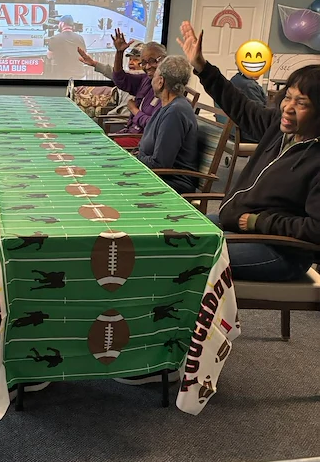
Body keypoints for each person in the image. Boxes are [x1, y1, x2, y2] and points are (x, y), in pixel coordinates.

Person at [177, 20, 320, 282]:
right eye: (287, 97)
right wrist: (202, 67)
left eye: (302, 103)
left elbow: (316, 229)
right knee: (173, 237)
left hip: (281, 251)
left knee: (188, 257)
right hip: (239, 226)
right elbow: (239, 105)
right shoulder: (279, 128)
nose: (288, 107)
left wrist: (258, 223)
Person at [136, 54, 198, 194]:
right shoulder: (168, 106)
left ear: (161, 81)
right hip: (156, 175)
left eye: (155, 75)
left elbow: (160, 164)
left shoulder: (175, 113)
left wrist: (136, 159)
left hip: (171, 183)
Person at [111, 31, 167, 147]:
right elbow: (120, 79)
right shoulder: (146, 79)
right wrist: (119, 52)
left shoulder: (167, 89)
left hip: (143, 140)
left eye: (152, 61)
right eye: (144, 62)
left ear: (164, 60)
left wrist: (134, 110)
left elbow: (153, 125)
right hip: (130, 132)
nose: (147, 67)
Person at [47, 14, 86, 79]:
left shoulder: (54, 38)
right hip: (80, 75)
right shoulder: (80, 38)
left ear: (62, 24)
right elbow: (85, 55)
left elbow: (49, 56)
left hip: (63, 76)